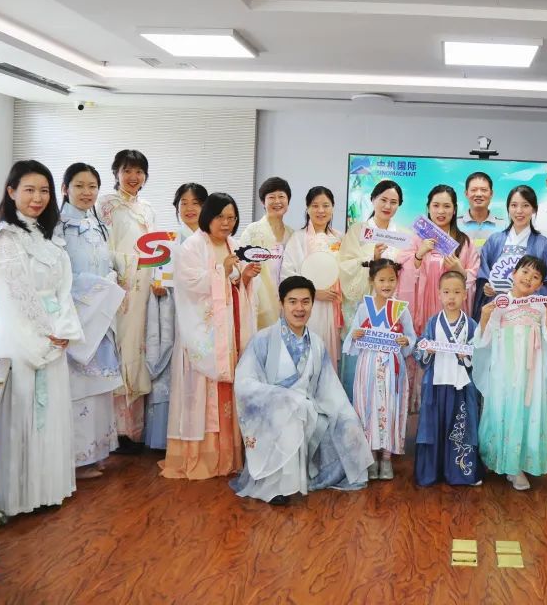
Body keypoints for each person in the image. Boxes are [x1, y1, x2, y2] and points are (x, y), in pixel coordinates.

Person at [0, 160, 83, 516]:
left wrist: (64, 330)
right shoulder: (4, 238)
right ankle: (14, 496)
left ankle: (45, 490)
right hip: (19, 334)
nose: (37, 198)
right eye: (29, 190)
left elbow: (64, 290)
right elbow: (15, 295)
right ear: (11, 192)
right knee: (21, 410)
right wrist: (45, 337)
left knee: (49, 412)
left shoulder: (46, 237)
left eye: (44, 191)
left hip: (54, 333)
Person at [232, 276, 376, 505]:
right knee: (291, 412)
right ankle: (277, 487)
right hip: (272, 410)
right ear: (281, 303)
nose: (299, 308)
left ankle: (307, 476)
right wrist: (282, 398)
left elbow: (329, 387)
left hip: (307, 408)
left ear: (312, 304)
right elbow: (244, 382)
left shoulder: (316, 343)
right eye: (292, 301)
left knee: (346, 419)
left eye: (305, 301)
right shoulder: (263, 339)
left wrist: (345, 413)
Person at [160, 193, 259, 480]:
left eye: (231, 218)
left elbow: (236, 285)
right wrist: (220, 271)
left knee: (230, 388)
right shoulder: (192, 246)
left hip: (230, 329)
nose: (226, 223)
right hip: (204, 334)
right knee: (203, 392)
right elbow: (188, 285)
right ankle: (202, 457)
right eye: (220, 217)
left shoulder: (234, 245)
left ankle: (228, 458)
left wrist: (246, 276)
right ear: (208, 217)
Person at [472, 256, 547, 492]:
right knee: (503, 408)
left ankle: (516, 466)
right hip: (505, 370)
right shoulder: (501, 303)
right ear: (513, 273)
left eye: (535, 277)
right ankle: (497, 457)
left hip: (530, 373)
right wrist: (485, 316)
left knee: (524, 410)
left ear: (540, 285)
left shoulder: (540, 306)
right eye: (525, 272)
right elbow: (483, 340)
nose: (528, 279)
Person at [60, 163, 124, 479]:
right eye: (79, 186)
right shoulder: (57, 227)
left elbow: (106, 262)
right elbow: (61, 276)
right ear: (65, 189)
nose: (87, 193)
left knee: (99, 387)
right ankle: (75, 458)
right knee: (78, 388)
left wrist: (112, 276)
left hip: (100, 312)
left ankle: (96, 451)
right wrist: (99, 287)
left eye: (92, 186)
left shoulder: (98, 224)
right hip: (77, 314)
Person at [99, 149, 160, 452]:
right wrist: (125, 268)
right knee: (119, 345)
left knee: (139, 345)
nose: (133, 177)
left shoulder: (147, 208)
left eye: (139, 172)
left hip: (144, 287)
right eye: (127, 171)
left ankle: (135, 430)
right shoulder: (105, 205)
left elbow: (155, 249)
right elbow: (102, 248)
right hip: (119, 285)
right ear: (116, 173)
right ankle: (113, 432)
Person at [400, 184, 481, 411]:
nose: (441, 211)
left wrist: (459, 269)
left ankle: (452, 408)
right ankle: (419, 408)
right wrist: (419, 255)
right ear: (428, 208)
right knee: (426, 351)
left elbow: (473, 275)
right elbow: (402, 272)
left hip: (452, 312)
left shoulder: (465, 242)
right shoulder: (416, 239)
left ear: (455, 209)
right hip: (424, 309)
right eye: (436, 205)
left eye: (447, 206)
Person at [144, 183, 208, 451]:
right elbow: (154, 273)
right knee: (171, 366)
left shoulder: (210, 239)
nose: (189, 208)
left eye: (196, 203)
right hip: (172, 309)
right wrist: (156, 285)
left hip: (202, 312)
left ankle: (198, 432)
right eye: (184, 203)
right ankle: (167, 435)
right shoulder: (167, 240)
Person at [341, 259, 415, 480]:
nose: (386, 284)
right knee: (368, 407)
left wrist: (405, 341)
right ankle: (371, 457)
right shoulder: (364, 308)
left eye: (391, 280)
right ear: (372, 281)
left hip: (392, 367)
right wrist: (355, 335)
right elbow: (353, 337)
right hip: (368, 366)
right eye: (381, 280)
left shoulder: (401, 309)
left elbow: (411, 337)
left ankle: (387, 458)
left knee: (390, 407)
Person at [414, 271, 484, 487]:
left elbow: (479, 353)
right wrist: (427, 350)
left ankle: (460, 473)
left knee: (460, 428)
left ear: (465, 294)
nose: (451, 297)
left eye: (456, 292)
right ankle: (431, 472)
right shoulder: (433, 322)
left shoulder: (471, 325)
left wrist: (468, 356)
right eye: (446, 292)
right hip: (436, 383)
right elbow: (420, 348)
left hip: (460, 385)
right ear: (438, 294)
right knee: (434, 427)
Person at [337, 180, 406, 398]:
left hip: (391, 309)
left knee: (386, 366)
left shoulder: (402, 235)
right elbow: (345, 264)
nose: (388, 206)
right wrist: (371, 258)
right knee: (360, 364)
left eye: (394, 202)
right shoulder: (358, 231)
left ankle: (384, 412)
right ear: (373, 199)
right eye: (383, 200)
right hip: (364, 305)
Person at [473, 185, 547, 322]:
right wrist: (486, 286)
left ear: (534, 209)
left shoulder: (544, 245)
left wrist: (528, 291)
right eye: (514, 205)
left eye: (525, 205)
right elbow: (483, 274)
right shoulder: (495, 240)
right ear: (508, 208)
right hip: (498, 308)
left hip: (530, 312)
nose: (519, 211)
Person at [281, 187, 344, 372]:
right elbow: (288, 275)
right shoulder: (298, 238)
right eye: (315, 206)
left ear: (333, 208)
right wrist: (314, 293)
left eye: (326, 205)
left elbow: (348, 270)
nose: (321, 210)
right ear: (307, 209)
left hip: (333, 305)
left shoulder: (340, 238)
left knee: (329, 358)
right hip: (307, 306)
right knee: (306, 357)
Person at [239, 177, 294, 330]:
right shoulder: (252, 232)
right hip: (261, 303)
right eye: (271, 197)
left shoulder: (292, 234)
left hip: (287, 302)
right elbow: (243, 268)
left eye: (281, 196)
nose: (277, 201)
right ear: (263, 202)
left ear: (288, 200)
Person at [457, 171, 504, 248]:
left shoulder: (503, 226)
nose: (478, 194)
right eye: (474, 190)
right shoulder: (455, 225)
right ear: (466, 193)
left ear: (491, 194)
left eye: (484, 190)